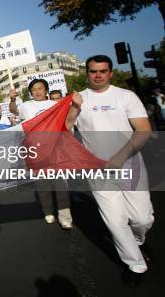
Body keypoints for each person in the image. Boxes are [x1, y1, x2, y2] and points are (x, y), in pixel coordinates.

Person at [66, 55, 154, 286]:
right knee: (115, 222)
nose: (98, 75)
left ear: (110, 73)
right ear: (87, 72)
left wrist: (119, 157)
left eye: (103, 71)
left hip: (130, 165)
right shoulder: (79, 99)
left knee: (141, 218)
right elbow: (65, 130)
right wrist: (75, 108)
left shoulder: (126, 96)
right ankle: (135, 265)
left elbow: (143, 130)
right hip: (97, 171)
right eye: (93, 71)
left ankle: (138, 240)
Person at [10, 79, 73, 230]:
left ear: (46, 90)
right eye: (34, 89)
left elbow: (67, 121)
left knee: (61, 184)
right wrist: (12, 98)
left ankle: (65, 216)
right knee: (43, 184)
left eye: (40, 88)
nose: (37, 91)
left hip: (56, 150)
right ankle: (48, 211)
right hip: (36, 151)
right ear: (31, 92)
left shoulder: (55, 105)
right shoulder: (26, 106)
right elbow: (13, 110)